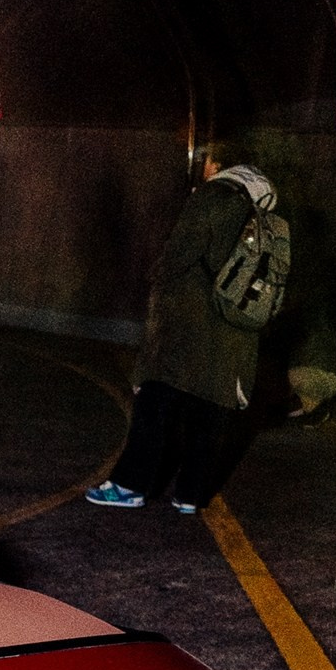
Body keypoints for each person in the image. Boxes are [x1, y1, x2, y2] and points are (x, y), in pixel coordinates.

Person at [85, 144, 290, 513]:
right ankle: (190, 495)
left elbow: (179, 255)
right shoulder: (267, 210)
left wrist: (156, 280)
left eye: (206, 162)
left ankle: (129, 485)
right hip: (236, 331)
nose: (203, 168)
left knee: (155, 402)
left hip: (188, 326)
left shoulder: (214, 195)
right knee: (211, 412)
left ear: (218, 165)